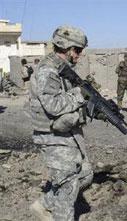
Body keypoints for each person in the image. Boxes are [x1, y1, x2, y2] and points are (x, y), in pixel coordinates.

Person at [29, 25, 93, 221]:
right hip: (51, 135)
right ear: (67, 48)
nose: (80, 55)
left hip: (67, 132)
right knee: (67, 186)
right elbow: (54, 105)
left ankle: (43, 205)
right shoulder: (47, 70)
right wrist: (80, 95)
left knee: (85, 174)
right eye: (78, 50)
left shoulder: (62, 68)